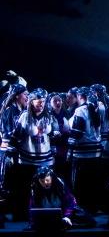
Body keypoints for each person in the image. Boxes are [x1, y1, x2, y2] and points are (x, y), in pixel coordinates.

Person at [12, 88, 59, 220]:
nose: (41, 104)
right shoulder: (25, 116)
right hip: (27, 159)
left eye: (43, 101)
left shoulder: (48, 116)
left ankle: (45, 214)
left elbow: (52, 135)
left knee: (45, 187)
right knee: (26, 188)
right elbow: (16, 137)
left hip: (45, 158)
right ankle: (24, 214)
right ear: (31, 102)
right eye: (38, 101)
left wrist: (55, 135)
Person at [67, 86, 104, 213]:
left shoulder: (80, 110)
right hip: (96, 151)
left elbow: (77, 133)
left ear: (80, 96)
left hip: (82, 152)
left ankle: (81, 209)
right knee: (94, 182)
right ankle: (93, 208)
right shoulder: (99, 107)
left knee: (80, 184)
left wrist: (70, 148)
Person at [28, 166, 95, 230]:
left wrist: (67, 216)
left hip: (63, 213)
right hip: (46, 216)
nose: (45, 183)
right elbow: (32, 207)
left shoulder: (60, 185)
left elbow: (71, 202)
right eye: (42, 181)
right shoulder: (35, 189)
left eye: (47, 180)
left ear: (51, 177)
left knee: (87, 218)